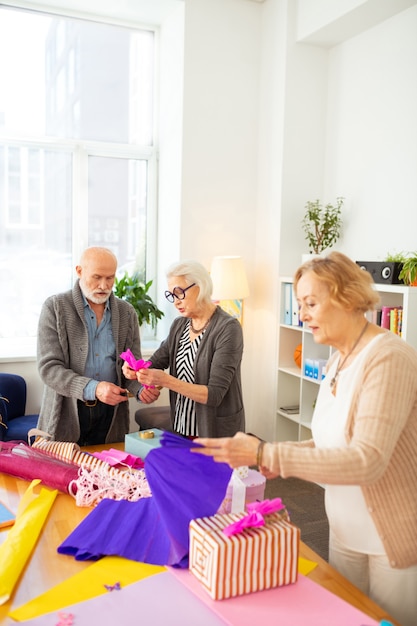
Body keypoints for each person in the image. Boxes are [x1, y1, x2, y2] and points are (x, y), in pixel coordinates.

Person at [193, 251, 417, 626]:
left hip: (390, 537)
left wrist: (269, 451)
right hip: (345, 529)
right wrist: (266, 455)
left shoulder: (389, 358)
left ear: (346, 298)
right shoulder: (336, 360)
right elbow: (333, 443)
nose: (302, 315)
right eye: (300, 304)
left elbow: (367, 460)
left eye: (311, 303)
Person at [123, 260, 245, 438]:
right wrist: (134, 369)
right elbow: (155, 362)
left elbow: (215, 394)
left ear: (201, 286)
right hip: (181, 427)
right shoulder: (179, 325)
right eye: (172, 295)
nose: (175, 302)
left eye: (180, 293)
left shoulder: (228, 328)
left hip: (215, 434)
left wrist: (166, 381)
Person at [37, 246, 142, 445]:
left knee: (109, 472)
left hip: (111, 414)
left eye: (110, 278)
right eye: (97, 277)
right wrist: (94, 388)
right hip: (67, 410)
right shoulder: (55, 307)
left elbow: (131, 367)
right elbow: (49, 369)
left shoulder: (127, 312)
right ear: (79, 271)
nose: (104, 285)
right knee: (63, 472)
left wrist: (141, 389)